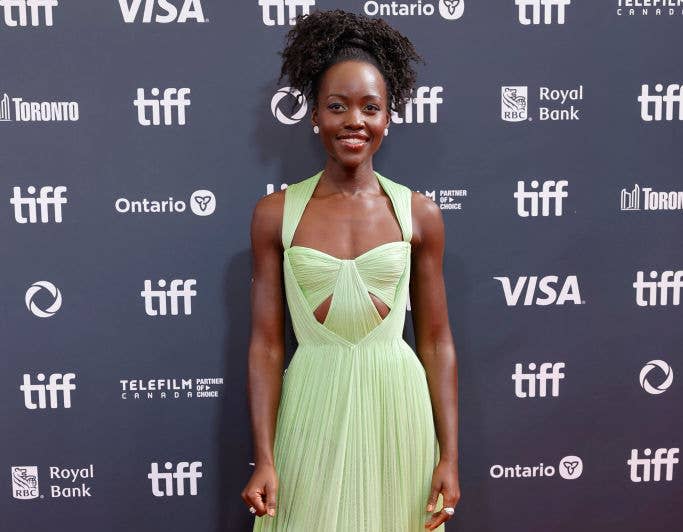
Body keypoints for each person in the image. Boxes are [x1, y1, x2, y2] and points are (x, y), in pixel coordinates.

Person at [241, 9, 460, 531]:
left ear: (387, 116)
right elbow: (268, 346)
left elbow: (435, 341)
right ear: (314, 113)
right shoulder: (275, 214)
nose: (354, 121)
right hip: (311, 404)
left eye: (370, 107)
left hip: (398, 410)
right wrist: (265, 456)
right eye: (337, 106)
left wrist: (449, 455)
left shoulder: (419, 214)